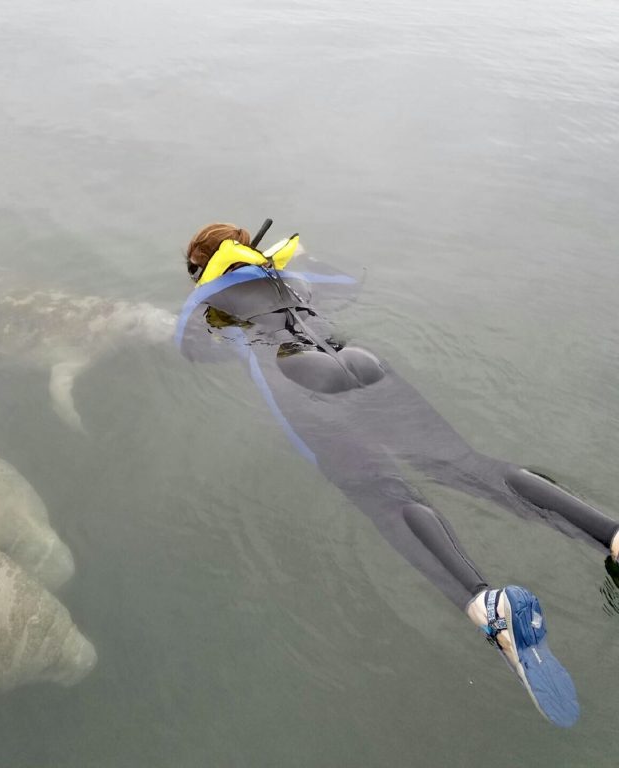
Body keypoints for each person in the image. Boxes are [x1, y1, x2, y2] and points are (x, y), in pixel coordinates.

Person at [176, 221, 619, 728]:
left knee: (387, 495)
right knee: (468, 466)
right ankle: (610, 533)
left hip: (299, 377)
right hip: (360, 362)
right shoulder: (291, 278)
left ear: (199, 270)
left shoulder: (205, 301)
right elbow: (349, 283)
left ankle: (485, 606)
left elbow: (192, 349)